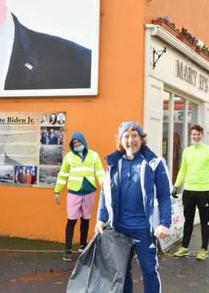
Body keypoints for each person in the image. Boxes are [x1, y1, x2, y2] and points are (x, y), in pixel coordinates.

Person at [95, 121, 171, 293]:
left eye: (134, 135)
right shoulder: (114, 163)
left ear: (141, 138)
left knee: (149, 271)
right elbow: (104, 192)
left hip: (144, 229)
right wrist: (101, 218)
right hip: (120, 228)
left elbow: (164, 195)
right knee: (122, 272)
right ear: (121, 140)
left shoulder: (155, 163)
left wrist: (164, 222)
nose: (131, 140)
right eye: (126, 136)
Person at [171, 124, 209, 260]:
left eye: (198, 134)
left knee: (205, 221)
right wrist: (176, 185)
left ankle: (204, 249)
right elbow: (183, 170)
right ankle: (184, 247)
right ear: (190, 136)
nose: (196, 136)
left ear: (202, 135)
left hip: (204, 191)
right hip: (189, 190)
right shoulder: (187, 151)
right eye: (193, 134)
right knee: (188, 220)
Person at [54, 132, 105, 262]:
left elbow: (100, 173)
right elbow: (62, 174)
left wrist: (105, 186)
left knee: (86, 219)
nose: (77, 145)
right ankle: (67, 250)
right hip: (74, 193)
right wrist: (57, 191)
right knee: (71, 220)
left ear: (83, 142)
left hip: (89, 192)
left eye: (79, 142)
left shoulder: (94, 155)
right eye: (74, 143)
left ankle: (83, 245)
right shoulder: (69, 157)